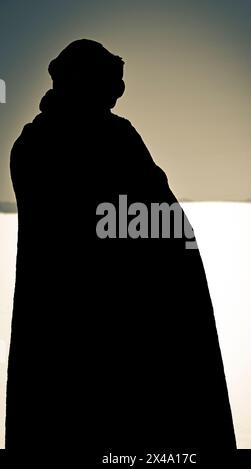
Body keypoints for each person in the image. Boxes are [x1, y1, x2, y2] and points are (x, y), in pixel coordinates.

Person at [6, 39, 236, 456]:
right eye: (113, 85)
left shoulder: (31, 145)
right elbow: (153, 220)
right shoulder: (106, 140)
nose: (117, 96)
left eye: (120, 88)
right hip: (111, 329)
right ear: (86, 80)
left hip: (61, 332)